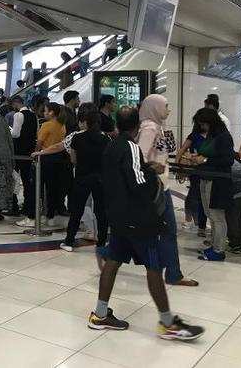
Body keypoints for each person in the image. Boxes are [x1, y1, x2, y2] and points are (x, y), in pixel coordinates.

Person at [88, 106, 204, 341]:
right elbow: (138, 183)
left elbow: (124, 175)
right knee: (154, 266)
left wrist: (145, 167)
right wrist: (154, 173)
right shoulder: (130, 146)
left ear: (118, 124)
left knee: (113, 261)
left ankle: (100, 314)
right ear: (137, 126)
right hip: (137, 219)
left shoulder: (111, 146)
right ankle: (168, 323)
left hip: (118, 216)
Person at [137, 94, 198, 286]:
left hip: (161, 185)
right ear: (154, 107)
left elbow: (168, 149)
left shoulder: (158, 127)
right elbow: (139, 157)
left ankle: (172, 272)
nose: (168, 109)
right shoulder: (149, 128)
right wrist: (155, 168)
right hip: (156, 187)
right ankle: (173, 273)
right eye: (165, 106)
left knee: (162, 230)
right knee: (167, 230)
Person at [60, 110, 109, 260]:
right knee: (101, 211)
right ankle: (101, 242)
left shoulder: (77, 138)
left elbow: (74, 159)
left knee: (77, 209)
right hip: (100, 178)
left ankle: (69, 241)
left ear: (85, 122)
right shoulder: (105, 138)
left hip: (82, 177)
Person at [194, 107, 235, 261]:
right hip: (206, 179)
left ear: (211, 122)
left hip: (218, 181)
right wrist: (197, 158)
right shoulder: (211, 136)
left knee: (218, 216)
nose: (202, 127)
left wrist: (204, 160)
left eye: (203, 124)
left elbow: (228, 160)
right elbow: (206, 153)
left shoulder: (224, 137)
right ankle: (214, 244)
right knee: (210, 214)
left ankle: (219, 250)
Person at [34, 102, 68, 225]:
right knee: (53, 187)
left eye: (46, 111)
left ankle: (42, 214)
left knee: (40, 186)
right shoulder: (62, 125)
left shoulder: (46, 125)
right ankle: (51, 214)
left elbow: (40, 142)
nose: (44, 113)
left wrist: (36, 153)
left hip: (46, 157)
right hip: (59, 158)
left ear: (51, 112)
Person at [176, 115, 208, 236]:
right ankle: (190, 219)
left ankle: (200, 223)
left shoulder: (213, 136)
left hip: (208, 170)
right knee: (194, 194)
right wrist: (179, 167)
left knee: (203, 198)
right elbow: (182, 150)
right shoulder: (194, 136)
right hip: (195, 171)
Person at [11, 95, 40, 225]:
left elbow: (16, 134)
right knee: (28, 180)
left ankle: (21, 208)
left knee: (16, 178)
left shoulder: (18, 115)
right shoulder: (33, 115)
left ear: (16, 103)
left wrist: (9, 131)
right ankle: (29, 206)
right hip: (30, 151)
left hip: (19, 151)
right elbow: (37, 132)